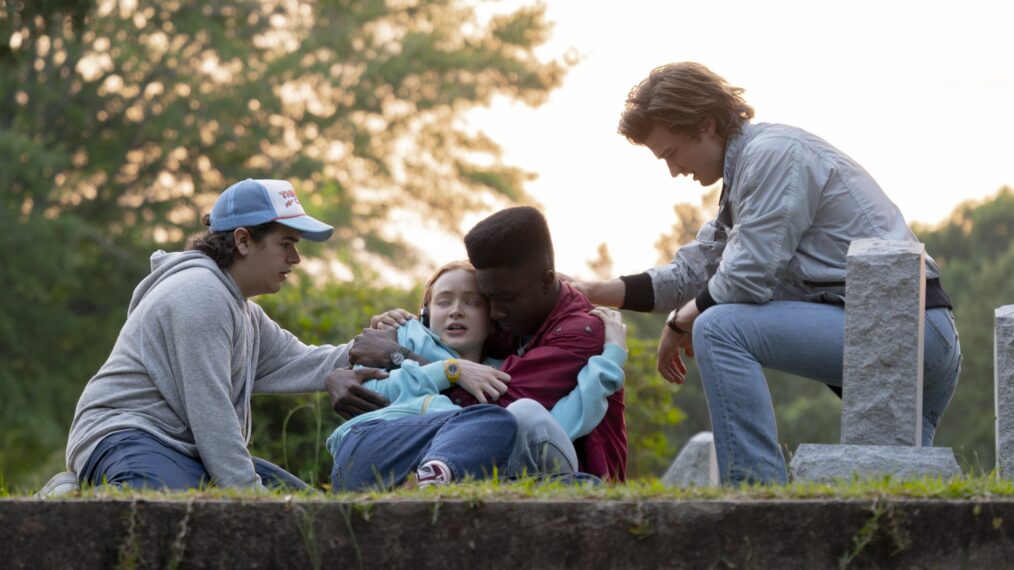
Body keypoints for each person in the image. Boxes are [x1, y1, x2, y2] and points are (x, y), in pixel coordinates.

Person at [570, 62, 961, 485]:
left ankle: (755, 492)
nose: (673, 171)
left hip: (904, 329)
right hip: (901, 334)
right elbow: (692, 274)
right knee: (890, 492)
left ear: (707, 124)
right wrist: (592, 291)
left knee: (718, 327)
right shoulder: (746, 175)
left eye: (672, 153)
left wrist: (681, 321)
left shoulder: (773, 156)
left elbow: (745, 277)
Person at [63, 178, 350, 491]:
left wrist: (387, 344)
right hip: (125, 435)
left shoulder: (242, 309)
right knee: (169, 510)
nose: (295, 258)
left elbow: (303, 362)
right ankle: (68, 498)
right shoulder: (200, 294)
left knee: (309, 513)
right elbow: (212, 416)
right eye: (286, 244)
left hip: (183, 451)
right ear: (243, 240)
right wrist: (255, 501)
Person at [334, 206, 629, 480]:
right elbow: (369, 388)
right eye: (489, 299)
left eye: (480, 302)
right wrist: (398, 332)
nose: (496, 312)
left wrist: (418, 360)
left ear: (545, 281)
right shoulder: (509, 315)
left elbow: (494, 412)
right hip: (395, 452)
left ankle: (438, 474)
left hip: (568, 473)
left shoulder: (579, 331)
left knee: (521, 415)